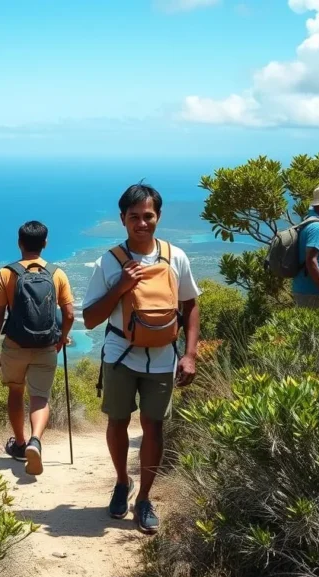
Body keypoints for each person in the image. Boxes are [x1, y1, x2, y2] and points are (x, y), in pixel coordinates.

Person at [82, 182, 200, 535]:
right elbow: (89, 318)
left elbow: (190, 305)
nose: (142, 223)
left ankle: (144, 498)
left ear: (158, 217)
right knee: (117, 422)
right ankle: (122, 482)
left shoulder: (175, 256)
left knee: (154, 427)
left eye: (148, 216)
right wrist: (119, 286)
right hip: (120, 356)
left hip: (164, 358)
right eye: (134, 217)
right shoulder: (109, 261)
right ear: (123, 219)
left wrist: (190, 354)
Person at [0, 221, 75, 476]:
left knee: (16, 392)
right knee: (40, 397)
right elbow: (69, 314)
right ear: (45, 243)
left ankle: (20, 444)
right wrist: (62, 338)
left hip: (15, 345)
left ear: (19, 243)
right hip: (46, 346)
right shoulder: (57, 274)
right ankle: (36, 439)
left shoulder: (7, 273)